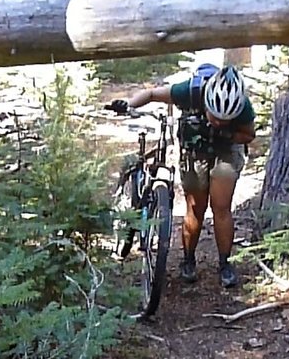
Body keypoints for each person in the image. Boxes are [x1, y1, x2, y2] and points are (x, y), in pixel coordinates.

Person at [108, 65, 256, 288]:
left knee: (221, 206)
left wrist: (224, 131)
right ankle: (188, 259)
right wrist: (128, 104)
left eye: (224, 118)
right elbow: (151, 94)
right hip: (195, 149)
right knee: (196, 207)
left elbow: (248, 135)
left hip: (227, 148)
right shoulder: (190, 91)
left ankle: (225, 263)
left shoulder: (243, 107)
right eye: (213, 115)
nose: (217, 120)